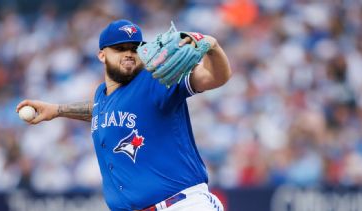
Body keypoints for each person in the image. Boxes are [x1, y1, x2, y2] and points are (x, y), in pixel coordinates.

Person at [16, 19, 231, 211]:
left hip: (181, 204)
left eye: (135, 48)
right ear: (102, 54)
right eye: (120, 48)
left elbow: (215, 77)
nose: (129, 53)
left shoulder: (156, 79)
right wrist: (57, 110)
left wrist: (212, 46)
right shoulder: (102, 94)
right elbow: (103, 111)